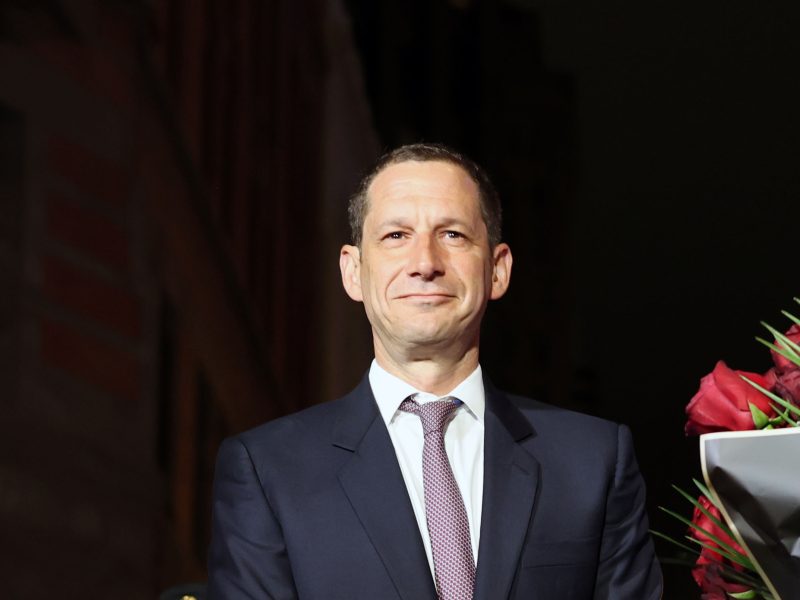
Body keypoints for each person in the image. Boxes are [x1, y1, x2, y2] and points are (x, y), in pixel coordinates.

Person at [208, 143, 663, 599]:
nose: (425, 263)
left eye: (452, 235)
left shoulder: (593, 462)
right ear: (352, 271)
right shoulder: (268, 470)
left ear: (498, 270)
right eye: (395, 236)